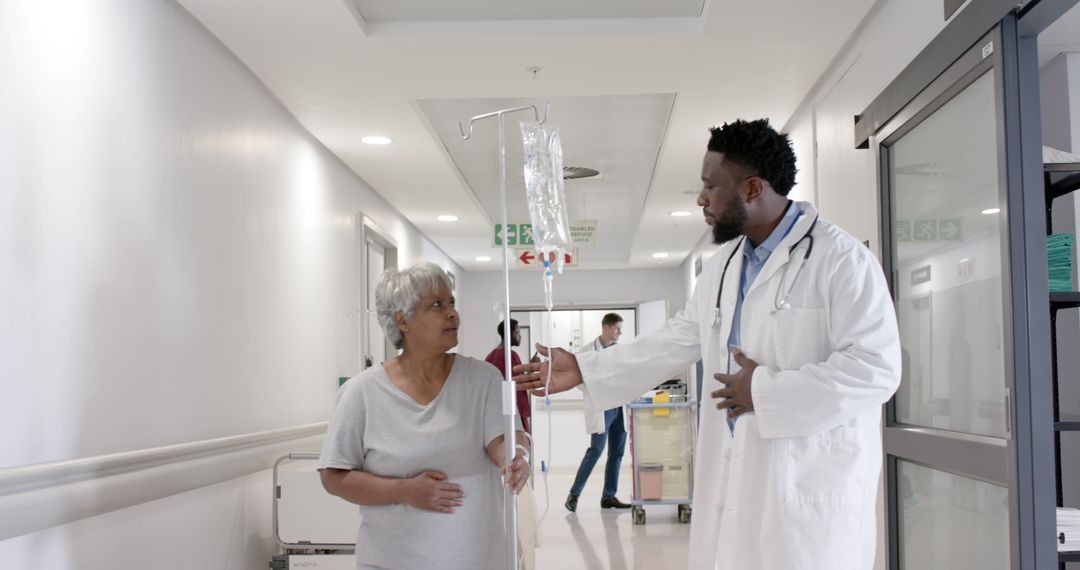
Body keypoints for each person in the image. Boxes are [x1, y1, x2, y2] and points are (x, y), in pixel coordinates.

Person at [513, 119, 901, 569]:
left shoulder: (842, 260)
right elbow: (678, 337)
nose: (701, 198)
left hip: (806, 494)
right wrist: (587, 368)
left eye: (710, 186)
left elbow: (876, 369)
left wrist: (765, 391)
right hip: (736, 485)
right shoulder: (723, 266)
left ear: (753, 188)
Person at [318, 262, 530, 570]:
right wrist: (404, 491)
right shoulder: (361, 392)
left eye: (452, 303)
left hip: (477, 559)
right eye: (436, 305)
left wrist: (515, 457)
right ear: (402, 320)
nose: (452, 313)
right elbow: (334, 476)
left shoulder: (483, 379)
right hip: (391, 561)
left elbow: (503, 439)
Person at [565, 312, 631, 512]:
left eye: (620, 328)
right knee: (596, 451)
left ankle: (609, 496)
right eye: (617, 328)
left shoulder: (621, 351)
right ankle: (574, 495)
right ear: (606, 328)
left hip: (619, 407)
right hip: (601, 407)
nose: (620, 332)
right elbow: (578, 382)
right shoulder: (586, 352)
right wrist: (598, 390)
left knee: (617, 453)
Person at [485, 319, 531, 434]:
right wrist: (532, 367)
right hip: (514, 413)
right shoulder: (511, 355)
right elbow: (520, 383)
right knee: (520, 448)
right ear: (509, 334)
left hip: (496, 415)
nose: (520, 336)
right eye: (517, 333)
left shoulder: (490, 356)